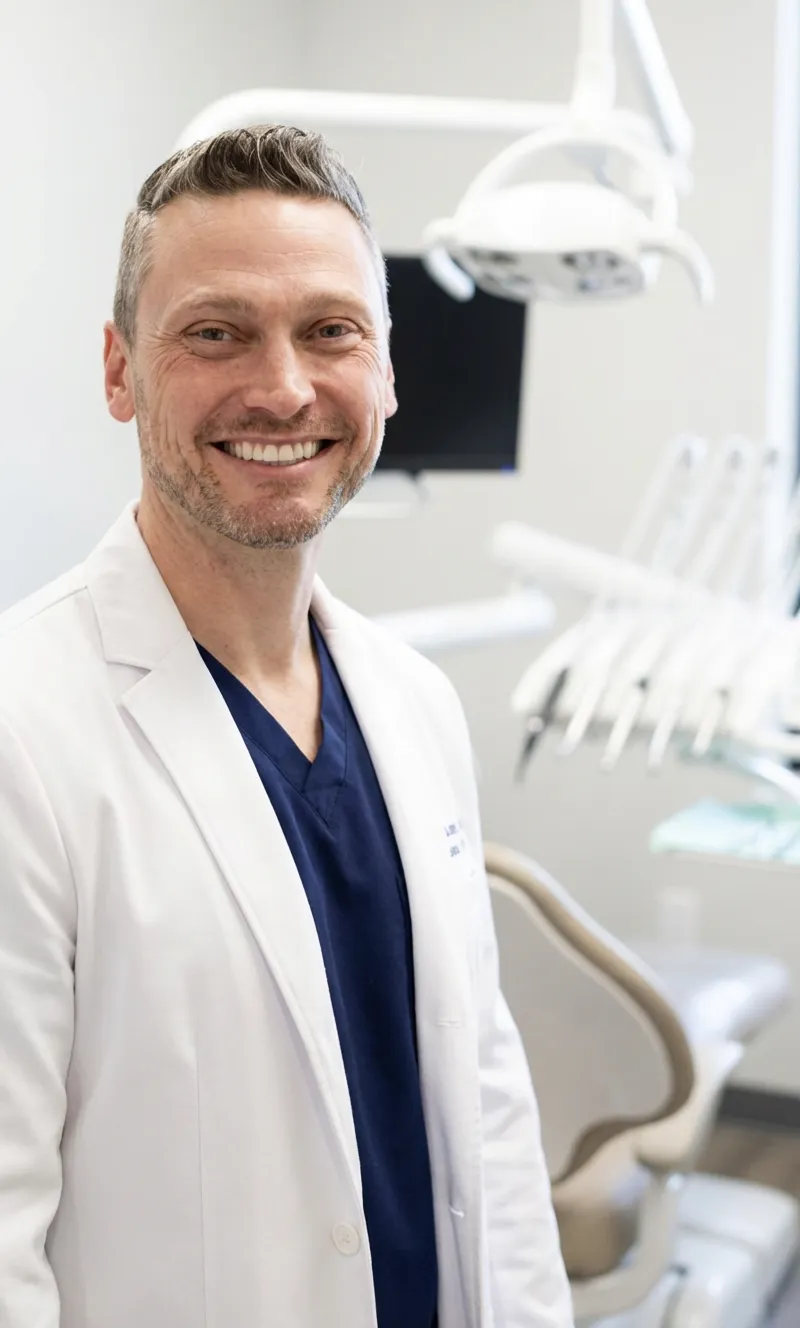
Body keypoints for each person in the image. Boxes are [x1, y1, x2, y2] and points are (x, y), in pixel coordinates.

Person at [0, 124, 573, 1328]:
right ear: (119, 371)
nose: (283, 386)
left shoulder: (412, 703)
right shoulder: (24, 729)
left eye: (330, 330)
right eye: (215, 331)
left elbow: (486, 1104)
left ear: (386, 370)